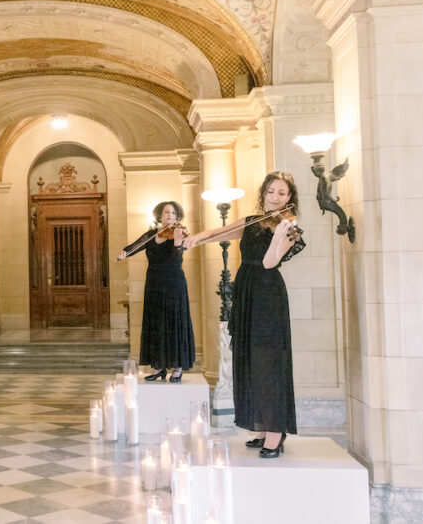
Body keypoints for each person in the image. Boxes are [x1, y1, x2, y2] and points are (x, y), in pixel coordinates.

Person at [183, 171, 305, 458]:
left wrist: (278, 235)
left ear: (290, 198)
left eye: (282, 193)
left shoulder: (290, 228)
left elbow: (269, 262)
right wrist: (197, 238)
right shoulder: (252, 221)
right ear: (263, 193)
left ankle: (276, 433)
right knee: (250, 359)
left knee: (268, 362)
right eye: (271, 191)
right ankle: (262, 428)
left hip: (267, 296)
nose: (275, 197)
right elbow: (220, 233)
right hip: (246, 293)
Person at [118, 201, 194, 383]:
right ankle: (159, 367)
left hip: (174, 284)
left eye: (173, 213)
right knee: (156, 323)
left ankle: (177, 368)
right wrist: (124, 253)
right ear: (160, 216)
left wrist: (177, 242)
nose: (169, 215)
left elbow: (177, 258)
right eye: (166, 212)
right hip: (154, 284)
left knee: (174, 322)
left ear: (177, 217)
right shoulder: (152, 234)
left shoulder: (180, 233)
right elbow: (136, 245)